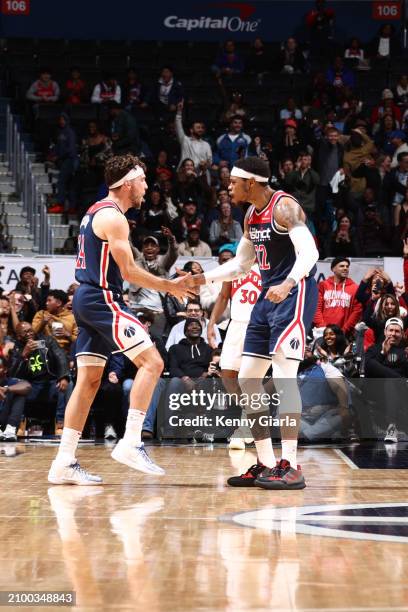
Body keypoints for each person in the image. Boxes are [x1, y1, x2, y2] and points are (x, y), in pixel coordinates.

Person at [47, 153, 193, 485]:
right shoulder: (114, 217)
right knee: (153, 363)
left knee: (88, 382)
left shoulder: (95, 210)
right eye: (142, 180)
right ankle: (131, 441)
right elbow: (128, 271)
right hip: (101, 298)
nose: (146, 186)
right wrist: (169, 286)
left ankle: (63, 462)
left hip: (88, 298)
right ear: (127, 183)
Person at [183, 156, 319, 489]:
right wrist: (202, 280)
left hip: (295, 293)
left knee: (285, 376)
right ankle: (265, 462)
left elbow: (310, 253)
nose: (228, 187)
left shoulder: (284, 206)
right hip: (266, 297)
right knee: (247, 380)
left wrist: (287, 283)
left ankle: (290, 464)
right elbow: (240, 266)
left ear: (251, 183)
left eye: (232, 182)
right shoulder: (250, 216)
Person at [207, 264, 262, 449]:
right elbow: (223, 297)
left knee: (249, 379)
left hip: (257, 325)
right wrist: (211, 324)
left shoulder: (268, 265)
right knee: (228, 376)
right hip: (236, 325)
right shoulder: (236, 266)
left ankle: (245, 426)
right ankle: (250, 415)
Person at [365, 317, 408, 443]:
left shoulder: (405, 351)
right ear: (385, 332)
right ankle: (392, 426)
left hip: (402, 392)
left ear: (402, 334)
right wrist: (383, 353)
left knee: (393, 383)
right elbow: (368, 368)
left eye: (397, 331)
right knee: (386, 376)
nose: (393, 334)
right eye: (391, 330)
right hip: (377, 390)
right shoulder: (374, 348)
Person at [314, 257, 362, 336]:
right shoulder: (323, 285)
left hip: (344, 334)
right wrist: (322, 328)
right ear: (333, 269)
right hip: (323, 332)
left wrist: (344, 330)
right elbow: (316, 307)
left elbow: (356, 311)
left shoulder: (355, 288)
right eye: (342, 266)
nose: (345, 268)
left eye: (347, 266)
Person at [175, 100, 212, 172]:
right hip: (184, 174)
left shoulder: (206, 144)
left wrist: (205, 164)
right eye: (198, 127)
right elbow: (178, 126)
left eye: (202, 128)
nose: (200, 129)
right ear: (191, 130)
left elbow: (210, 161)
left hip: (199, 175)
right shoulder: (185, 140)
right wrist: (179, 112)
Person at [0, 357, 31, 441]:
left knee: (18, 391)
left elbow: (27, 386)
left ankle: (11, 429)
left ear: (5, 370)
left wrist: (6, 389)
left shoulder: (10, 381)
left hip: (5, 424)